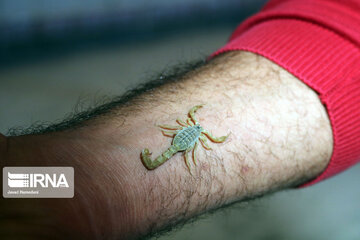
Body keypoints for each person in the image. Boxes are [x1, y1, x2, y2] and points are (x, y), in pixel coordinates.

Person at [0, 0, 359, 239]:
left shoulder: (191, 134)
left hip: (176, 145)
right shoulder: (193, 133)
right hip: (175, 143)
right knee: (14, 181)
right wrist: (84, 183)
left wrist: (95, 193)